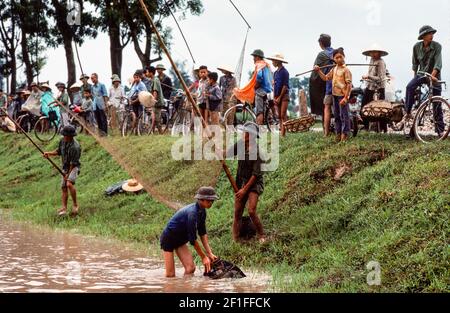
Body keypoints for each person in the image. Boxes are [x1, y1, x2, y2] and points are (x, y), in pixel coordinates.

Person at [160, 186, 219, 278]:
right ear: (201, 200)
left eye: (212, 201)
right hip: (169, 239)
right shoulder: (192, 213)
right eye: (208, 201)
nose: (211, 203)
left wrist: (209, 253)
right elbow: (192, 239)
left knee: (190, 268)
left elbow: (202, 233)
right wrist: (203, 257)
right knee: (170, 275)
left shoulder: (202, 211)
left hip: (180, 240)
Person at [225, 122, 266, 243]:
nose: (243, 134)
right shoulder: (241, 145)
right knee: (237, 212)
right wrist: (217, 150)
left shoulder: (258, 152)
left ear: (252, 136)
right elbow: (227, 153)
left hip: (253, 184)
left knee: (251, 210)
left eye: (246, 132)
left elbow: (255, 175)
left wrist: (244, 190)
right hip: (241, 182)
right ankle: (236, 238)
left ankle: (261, 234)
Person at [405, 25, 444, 137]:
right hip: (421, 74)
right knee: (410, 87)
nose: (431, 35)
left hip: (434, 76)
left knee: (437, 102)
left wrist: (432, 76)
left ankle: (440, 130)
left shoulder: (437, 46)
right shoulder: (416, 47)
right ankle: (407, 112)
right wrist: (415, 79)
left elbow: (438, 63)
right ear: (423, 36)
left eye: (432, 33)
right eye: (429, 34)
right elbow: (415, 64)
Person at [314, 48, 353, 142]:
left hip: (342, 96)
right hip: (334, 95)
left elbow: (349, 85)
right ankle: (338, 133)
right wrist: (318, 71)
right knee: (337, 116)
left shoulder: (346, 70)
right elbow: (326, 78)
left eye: (341, 57)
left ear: (344, 57)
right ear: (333, 59)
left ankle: (345, 134)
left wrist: (346, 97)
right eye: (336, 57)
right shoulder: (334, 69)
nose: (339, 59)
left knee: (344, 116)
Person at [43, 125, 81, 217]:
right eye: (64, 135)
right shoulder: (62, 141)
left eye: (66, 136)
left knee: (69, 184)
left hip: (74, 167)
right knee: (64, 187)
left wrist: (67, 175)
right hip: (65, 167)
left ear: (71, 136)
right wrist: (49, 154)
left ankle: (75, 205)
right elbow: (58, 151)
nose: (65, 137)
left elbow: (73, 163)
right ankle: (64, 207)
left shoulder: (75, 147)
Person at [233, 50, 273, 126]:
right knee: (264, 109)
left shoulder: (259, 65)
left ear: (257, 57)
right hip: (268, 90)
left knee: (259, 111)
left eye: (254, 57)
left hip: (261, 90)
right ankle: (266, 123)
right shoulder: (266, 65)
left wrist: (255, 87)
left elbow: (259, 77)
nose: (253, 59)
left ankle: (258, 127)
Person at [310, 34, 334, 136]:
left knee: (326, 108)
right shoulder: (336, 53)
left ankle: (326, 131)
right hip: (336, 82)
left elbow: (314, 71)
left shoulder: (321, 55)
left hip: (326, 84)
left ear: (320, 43)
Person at [361, 44, 389, 132]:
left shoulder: (380, 62)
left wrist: (368, 76)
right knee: (364, 106)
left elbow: (380, 78)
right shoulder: (371, 60)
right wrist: (368, 78)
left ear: (379, 53)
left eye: (375, 52)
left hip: (378, 88)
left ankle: (383, 128)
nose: (373, 54)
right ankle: (366, 126)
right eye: (372, 52)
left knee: (380, 110)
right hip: (369, 86)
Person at [267, 53, 290, 137]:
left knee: (283, 115)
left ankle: (284, 134)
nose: (272, 63)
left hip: (284, 96)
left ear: (278, 61)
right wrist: (274, 97)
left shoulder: (285, 72)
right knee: (279, 116)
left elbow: (285, 86)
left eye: (273, 61)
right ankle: (282, 133)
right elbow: (274, 85)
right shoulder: (275, 73)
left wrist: (280, 97)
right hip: (276, 96)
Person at [144, 66, 165, 134]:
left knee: (157, 119)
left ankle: (161, 134)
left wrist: (153, 100)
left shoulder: (155, 80)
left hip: (157, 102)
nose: (146, 73)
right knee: (153, 119)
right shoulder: (153, 79)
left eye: (147, 72)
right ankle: (152, 133)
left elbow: (155, 91)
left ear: (151, 73)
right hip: (155, 102)